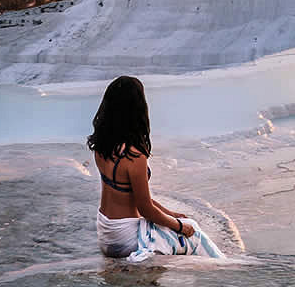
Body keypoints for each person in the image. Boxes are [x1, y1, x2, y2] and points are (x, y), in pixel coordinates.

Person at [88, 76, 223, 261]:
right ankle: (224, 269)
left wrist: (171, 214)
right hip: (125, 237)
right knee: (194, 232)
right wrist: (180, 226)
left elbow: (134, 198)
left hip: (106, 232)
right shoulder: (134, 155)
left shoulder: (101, 146)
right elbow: (145, 209)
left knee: (182, 222)